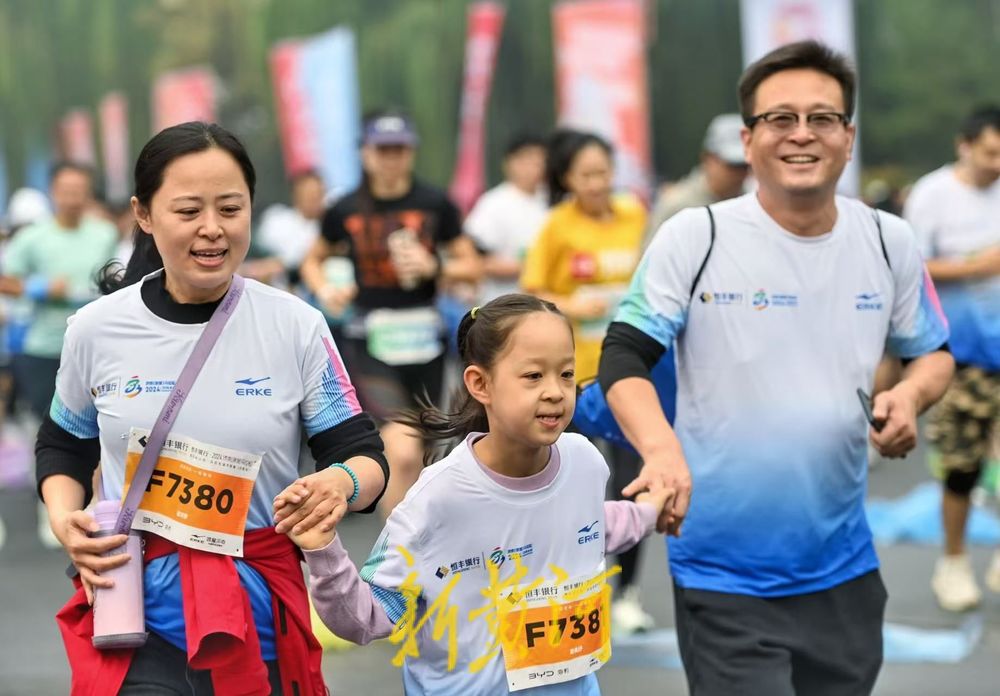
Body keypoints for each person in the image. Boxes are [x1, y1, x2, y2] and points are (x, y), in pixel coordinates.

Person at [598, 40, 954, 695]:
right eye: (779, 118)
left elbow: (931, 352)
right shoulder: (694, 235)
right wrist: (660, 449)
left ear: (848, 137)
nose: (801, 134)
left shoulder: (887, 240)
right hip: (719, 572)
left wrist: (909, 396)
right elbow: (622, 353)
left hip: (842, 567)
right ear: (748, 138)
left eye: (821, 118)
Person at [35, 121, 389, 695]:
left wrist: (340, 486)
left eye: (230, 208)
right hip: (136, 616)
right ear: (143, 215)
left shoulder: (295, 326)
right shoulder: (96, 330)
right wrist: (64, 522)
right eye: (188, 211)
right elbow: (62, 443)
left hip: (257, 616)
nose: (212, 230)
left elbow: (362, 455)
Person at [279, 294, 669, 695]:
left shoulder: (584, 461)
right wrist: (324, 550)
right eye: (533, 376)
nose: (555, 391)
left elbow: (594, 525)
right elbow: (367, 619)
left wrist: (654, 506)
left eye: (567, 374)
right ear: (479, 383)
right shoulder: (438, 498)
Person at [300, 110, 481, 515]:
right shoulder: (345, 209)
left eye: (399, 149)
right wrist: (327, 289)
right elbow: (313, 259)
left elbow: (471, 265)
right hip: (371, 344)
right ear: (365, 153)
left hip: (427, 345)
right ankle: (394, 563)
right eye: (382, 150)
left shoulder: (435, 204)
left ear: (411, 152)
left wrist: (435, 267)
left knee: (419, 455)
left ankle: (404, 557)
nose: (391, 159)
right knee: (400, 448)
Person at [520, 129, 652, 633]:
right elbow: (531, 289)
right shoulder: (557, 226)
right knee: (566, 478)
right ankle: (566, 587)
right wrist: (570, 304)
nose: (598, 183)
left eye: (604, 172)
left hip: (626, 372)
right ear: (567, 179)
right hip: (570, 375)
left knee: (630, 479)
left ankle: (628, 594)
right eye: (587, 175)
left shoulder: (634, 217)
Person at [903, 104, 1000, 612]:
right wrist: (975, 266)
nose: (997, 162)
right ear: (964, 145)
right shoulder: (933, 195)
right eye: (990, 152)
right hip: (959, 355)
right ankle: (955, 562)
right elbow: (910, 269)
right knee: (962, 468)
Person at [0, 163, 117, 422]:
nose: (73, 198)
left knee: (94, 422)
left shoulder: (104, 233)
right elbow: (5, 282)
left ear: (88, 193)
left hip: (94, 344)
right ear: (53, 191)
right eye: (66, 190)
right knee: (49, 421)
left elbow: (113, 279)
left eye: (79, 190)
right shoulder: (31, 237)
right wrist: (39, 288)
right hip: (45, 346)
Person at [464, 133, 548, 303]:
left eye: (538, 161)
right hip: (503, 302)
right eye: (525, 160)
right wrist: (527, 266)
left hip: (543, 301)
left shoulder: (551, 201)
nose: (532, 168)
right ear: (509, 163)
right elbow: (475, 257)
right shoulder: (493, 203)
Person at [644, 113, 750, 244]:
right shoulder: (678, 205)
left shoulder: (755, 202)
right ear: (708, 158)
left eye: (745, 165)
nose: (740, 173)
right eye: (733, 165)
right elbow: (651, 259)